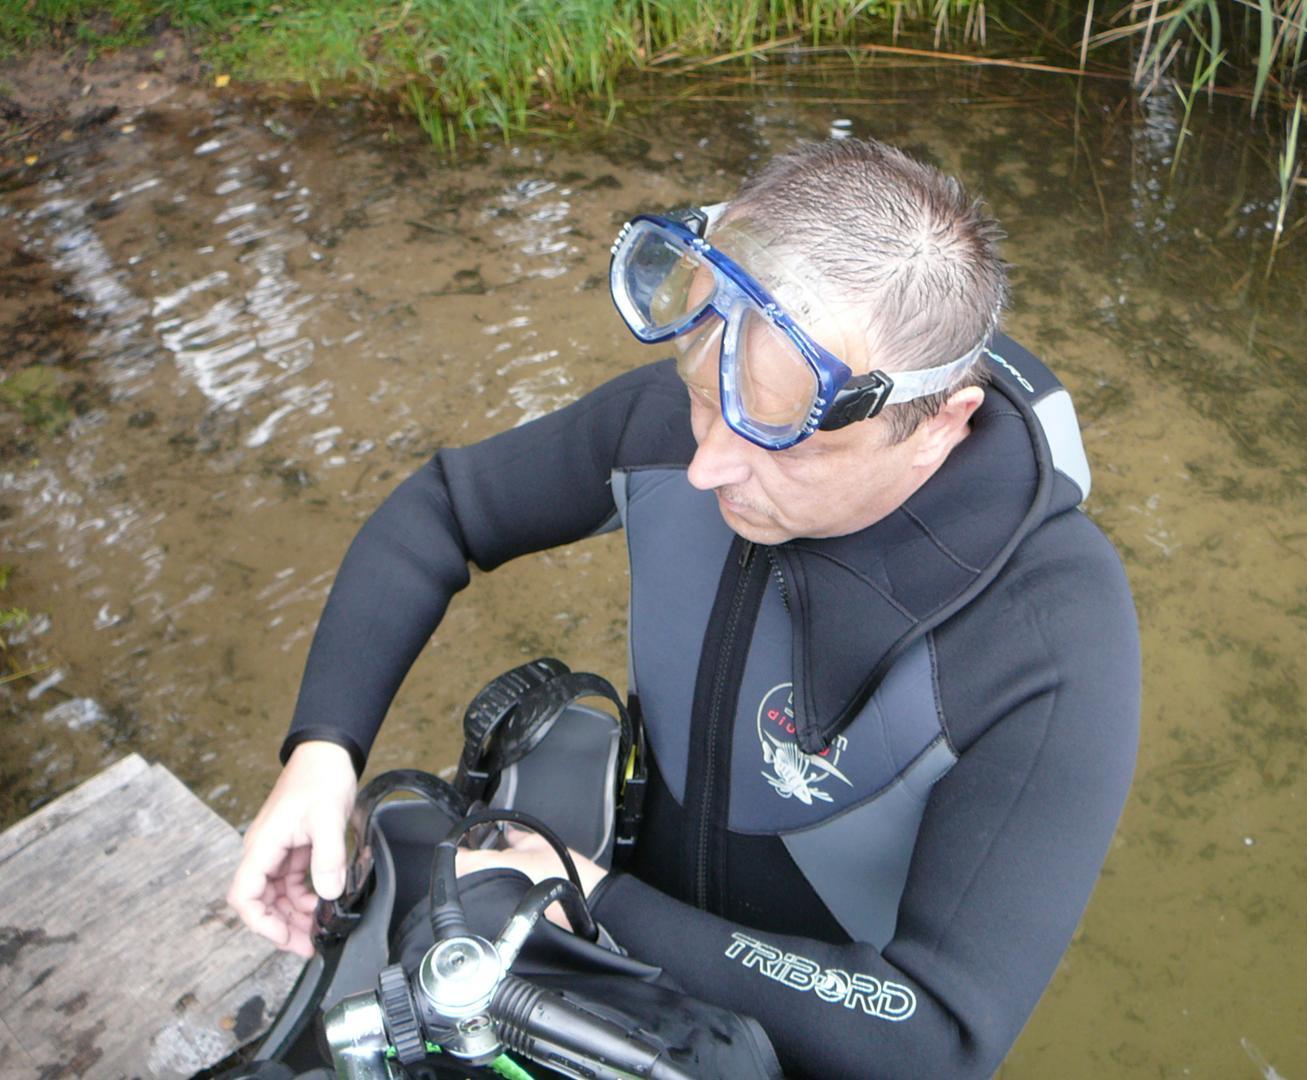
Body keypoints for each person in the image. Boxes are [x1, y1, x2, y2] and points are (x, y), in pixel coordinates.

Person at [228, 139, 1141, 1078]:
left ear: (939, 426)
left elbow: (937, 1039)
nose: (706, 466)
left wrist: (592, 899)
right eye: (702, 399)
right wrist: (322, 753)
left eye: (781, 445)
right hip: (611, 940)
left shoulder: (1050, 637)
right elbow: (443, 511)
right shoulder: (694, 419)